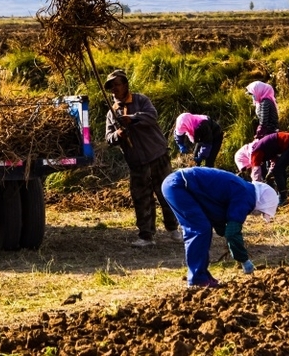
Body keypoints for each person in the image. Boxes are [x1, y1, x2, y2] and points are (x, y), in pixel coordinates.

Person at [161, 166, 279, 288]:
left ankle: (202, 275)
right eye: (260, 212)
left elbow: (219, 219)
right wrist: (244, 260)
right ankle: (197, 279)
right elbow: (232, 232)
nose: (256, 214)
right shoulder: (246, 197)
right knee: (199, 229)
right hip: (180, 185)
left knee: (203, 227)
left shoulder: (245, 190)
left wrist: (229, 237)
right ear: (261, 203)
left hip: (178, 184)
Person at [104, 69, 180, 247]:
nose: (114, 88)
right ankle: (146, 236)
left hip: (157, 154)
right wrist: (118, 134)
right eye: (111, 86)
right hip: (137, 162)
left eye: (117, 84)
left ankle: (173, 229)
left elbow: (152, 116)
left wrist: (131, 118)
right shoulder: (111, 113)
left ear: (125, 85)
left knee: (166, 193)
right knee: (141, 198)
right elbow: (108, 138)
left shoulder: (140, 100)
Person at [234, 131, 289, 205]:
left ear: (245, 158)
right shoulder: (262, 147)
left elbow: (256, 173)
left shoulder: (255, 151)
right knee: (279, 169)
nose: (247, 170)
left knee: (278, 170)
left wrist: (256, 190)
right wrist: (270, 172)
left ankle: (283, 197)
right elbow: (274, 159)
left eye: (245, 168)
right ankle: (283, 195)